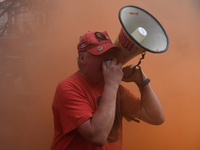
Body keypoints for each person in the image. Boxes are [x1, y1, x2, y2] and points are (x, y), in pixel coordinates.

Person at [51, 31, 165, 150]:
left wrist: (142, 82)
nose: (109, 59)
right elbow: (97, 137)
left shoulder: (115, 88)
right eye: (101, 53)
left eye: (111, 53)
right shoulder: (68, 88)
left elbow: (156, 117)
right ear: (83, 58)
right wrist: (112, 84)